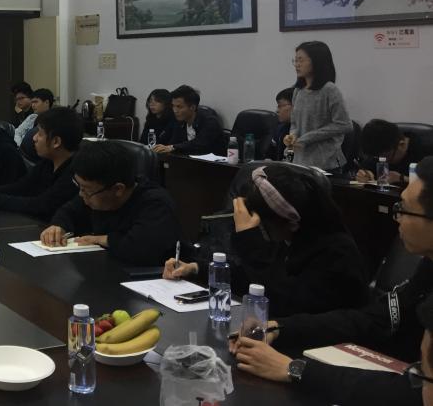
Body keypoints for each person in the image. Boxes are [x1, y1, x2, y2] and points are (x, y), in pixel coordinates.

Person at [230, 156, 433, 405]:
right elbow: (373, 319)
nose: (397, 216)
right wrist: (282, 328)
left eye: (404, 208)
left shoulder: (337, 253)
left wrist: (295, 369)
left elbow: (414, 392)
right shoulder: (429, 265)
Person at [164, 164, 369, 316]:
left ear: (287, 222)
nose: (262, 230)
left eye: (263, 224)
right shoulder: (293, 238)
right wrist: (197, 269)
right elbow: (252, 279)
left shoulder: (336, 255)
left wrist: (249, 240)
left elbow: (278, 298)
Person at [41, 141, 183, 265]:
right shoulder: (95, 193)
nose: (81, 194)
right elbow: (69, 211)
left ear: (118, 189)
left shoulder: (156, 203)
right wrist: (58, 226)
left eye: (86, 190)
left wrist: (102, 240)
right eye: (80, 187)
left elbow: (141, 248)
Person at [0, 107, 80, 221]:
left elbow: (40, 205)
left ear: (56, 142)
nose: (34, 138)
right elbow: (20, 188)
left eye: (40, 134)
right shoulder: (48, 163)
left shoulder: (75, 173)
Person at [282, 41, 352, 172]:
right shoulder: (298, 91)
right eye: (295, 60)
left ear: (316, 61)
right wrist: (293, 136)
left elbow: (344, 124)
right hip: (300, 161)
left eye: (301, 60)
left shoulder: (329, 90)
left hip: (327, 162)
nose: (297, 64)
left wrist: (307, 138)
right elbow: (295, 123)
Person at [152, 85, 226, 156]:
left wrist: (173, 147)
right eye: (173, 106)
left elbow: (199, 144)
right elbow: (173, 142)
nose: (175, 110)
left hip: (213, 163)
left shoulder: (210, 121)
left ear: (192, 107)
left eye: (179, 107)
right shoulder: (179, 121)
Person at [358, 119, 433, 185]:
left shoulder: (426, 151)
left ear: (401, 145)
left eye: (386, 157)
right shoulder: (380, 149)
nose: (382, 160)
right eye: (377, 157)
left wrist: (402, 178)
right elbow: (365, 167)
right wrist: (364, 174)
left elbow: (429, 184)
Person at [16, 88, 54, 162]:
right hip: (23, 152)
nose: (33, 105)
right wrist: (19, 145)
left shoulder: (54, 120)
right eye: (32, 102)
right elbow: (17, 132)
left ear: (46, 102)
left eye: (36, 102)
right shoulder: (32, 117)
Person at [267, 88, 294, 161]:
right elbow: (270, 155)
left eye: (280, 106)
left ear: (295, 106)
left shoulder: (303, 132)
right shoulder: (280, 129)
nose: (277, 110)